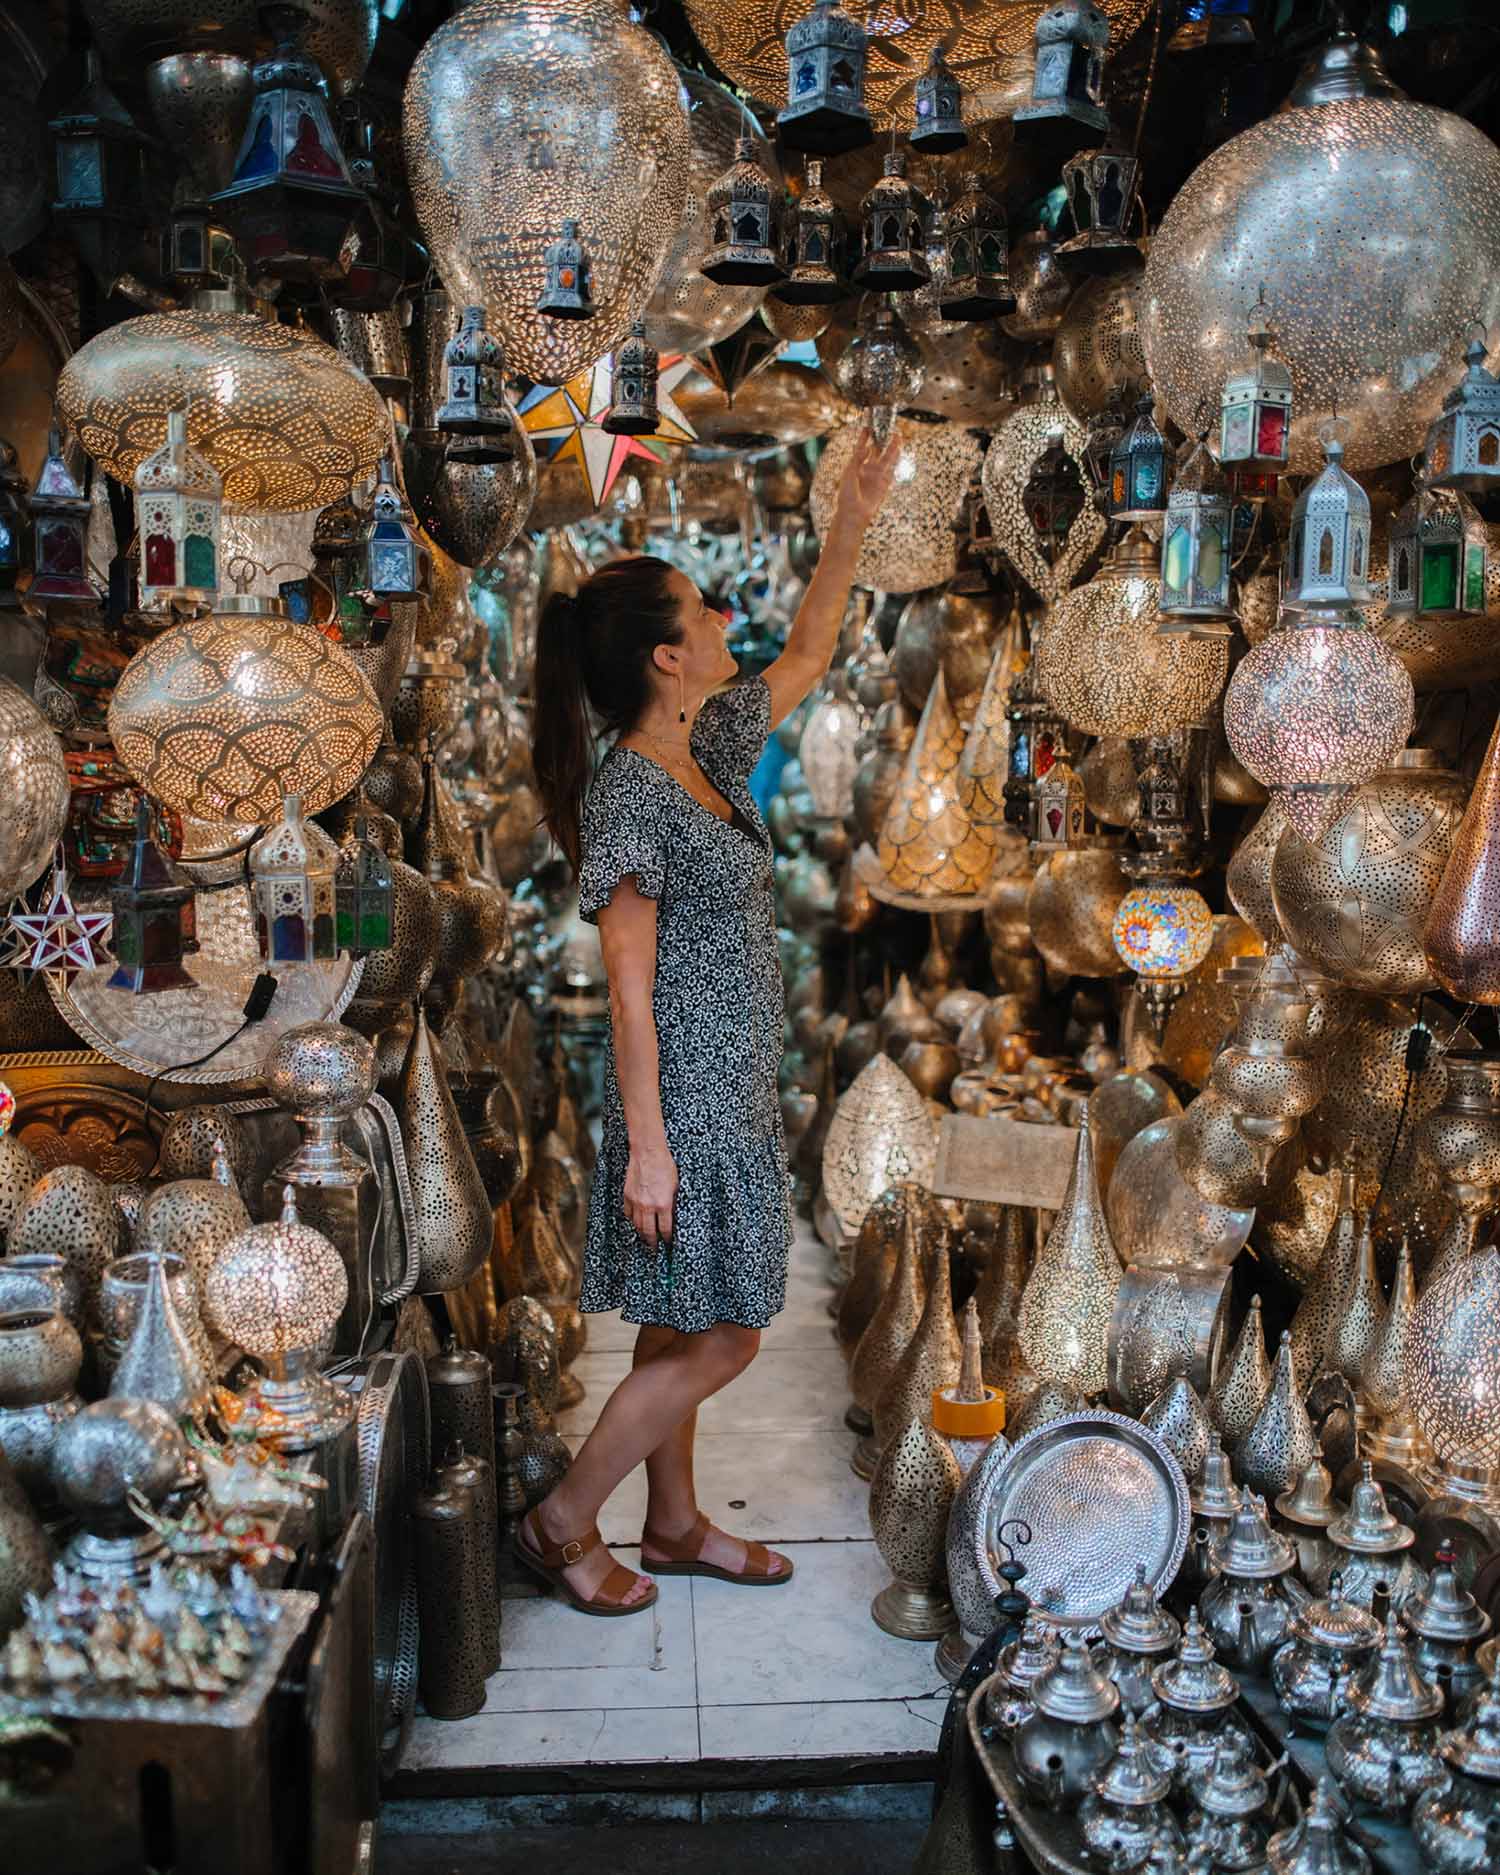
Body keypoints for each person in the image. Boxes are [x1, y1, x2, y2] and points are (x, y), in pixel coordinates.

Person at [522, 431, 898, 1614]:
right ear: (668, 656)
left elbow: (810, 645)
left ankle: (676, 1525)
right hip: (681, 1094)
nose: (723, 616)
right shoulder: (630, 788)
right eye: (702, 610)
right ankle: (564, 1519)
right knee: (728, 1333)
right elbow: (627, 984)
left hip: (731, 1081)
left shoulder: (713, 751)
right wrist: (647, 1145)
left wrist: (852, 517)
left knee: (682, 1321)